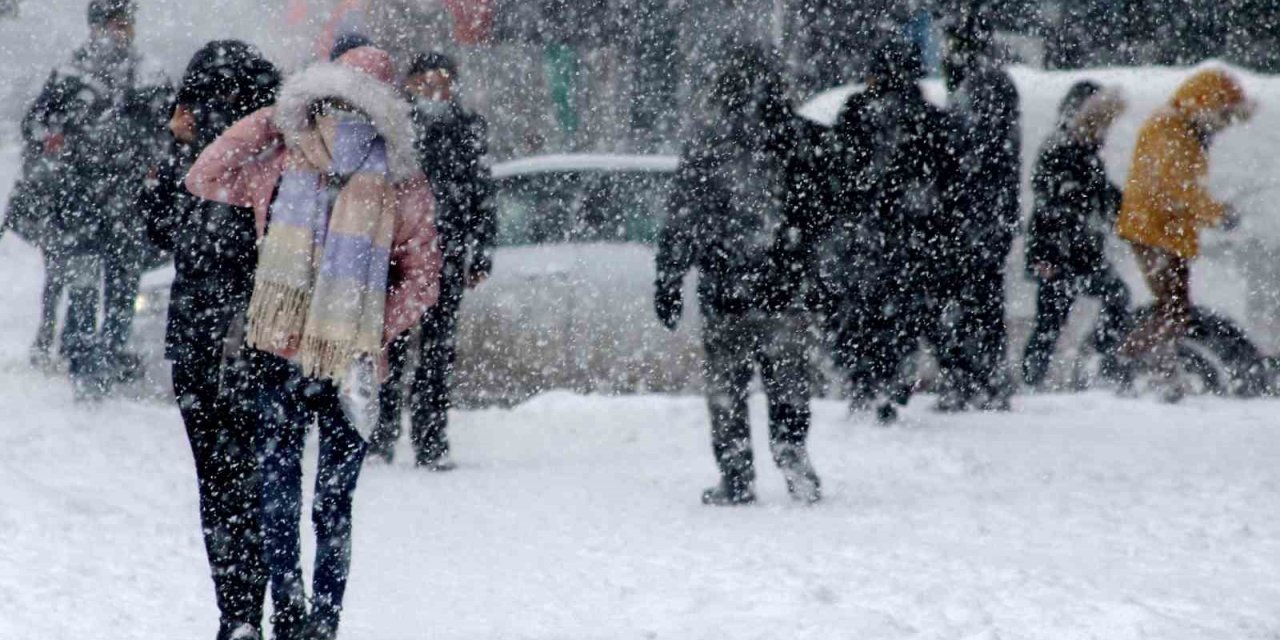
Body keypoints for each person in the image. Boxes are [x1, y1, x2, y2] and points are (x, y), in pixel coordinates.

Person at [186, 46, 442, 640]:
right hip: (350, 365)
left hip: (281, 352)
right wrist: (369, 326)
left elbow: (205, 172)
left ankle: (291, 614)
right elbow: (424, 279)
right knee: (332, 504)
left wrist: (276, 117)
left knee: (279, 493)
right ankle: (321, 623)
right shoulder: (401, 180)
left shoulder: (281, 159)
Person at [142, 40, 281, 640]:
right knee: (253, 479)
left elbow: (161, 228)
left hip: (216, 338)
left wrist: (173, 150)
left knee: (224, 484)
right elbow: (160, 227)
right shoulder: (275, 151)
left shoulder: (219, 162)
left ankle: (240, 610)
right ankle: (257, 605)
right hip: (250, 339)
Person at [655, 44, 822, 506]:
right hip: (783, 288)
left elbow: (682, 218)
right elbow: (820, 216)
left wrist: (669, 278)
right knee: (787, 383)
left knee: (727, 389)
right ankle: (791, 452)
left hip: (725, 287)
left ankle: (736, 474)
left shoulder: (708, 142)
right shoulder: (797, 138)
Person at [22, 0, 168, 397]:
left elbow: (168, 131)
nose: (121, 32)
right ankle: (84, 360)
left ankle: (109, 355)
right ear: (96, 27)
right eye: (114, 24)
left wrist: (156, 161)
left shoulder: (149, 75)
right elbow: (33, 126)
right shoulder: (70, 75)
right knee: (84, 285)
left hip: (127, 203)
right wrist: (52, 141)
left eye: (126, 25)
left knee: (123, 286)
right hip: (78, 203)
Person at [368, 51, 495, 470]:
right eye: (426, 82)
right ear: (410, 84)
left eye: (443, 82)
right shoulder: (395, 128)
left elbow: (482, 193)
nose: (435, 91)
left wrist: (481, 252)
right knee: (392, 348)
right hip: (399, 257)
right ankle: (382, 434)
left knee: (438, 353)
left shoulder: (467, 129)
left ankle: (431, 439)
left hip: (447, 255)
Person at [828, 35, 955, 424]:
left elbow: (835, 170)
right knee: (903, 313)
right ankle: (892, 381)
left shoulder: (856, 111)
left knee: (861, 310)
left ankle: (862, 381)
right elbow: (948, 180)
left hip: (865, 232)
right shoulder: (929, 117)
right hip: (913, 234)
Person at [1116, 68, 1253, 402]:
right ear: (1206, 105)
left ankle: (1159, 370)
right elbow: (1177, 190)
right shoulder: (1171, 130)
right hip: (1155, 232)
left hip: (1163, 231)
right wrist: (1218, 214)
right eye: (1224, 116)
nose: (1225, 125)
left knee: (1174, 310)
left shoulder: (1182, 128)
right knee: (1174, 310)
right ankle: (1127, 360)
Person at [1022, 81, 1131, 389]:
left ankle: (1092, 360)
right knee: (1051, 321)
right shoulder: (1060, 149)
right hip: (1058, 254)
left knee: (1057, 320)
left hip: (1079, 253)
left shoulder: (1084, 151)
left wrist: (1126, 208)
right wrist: (1047, 256)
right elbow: (1053, 206)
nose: (1106, 132)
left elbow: (1101, 197)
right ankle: (1041, 378)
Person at [939, 13, 1023, 411]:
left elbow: (973, 151)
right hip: (984, 215)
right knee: (980, 299)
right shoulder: (989, 83)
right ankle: (979, 378)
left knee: (975, 299)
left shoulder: (983, 86)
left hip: (976, 216)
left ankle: (976, 380)